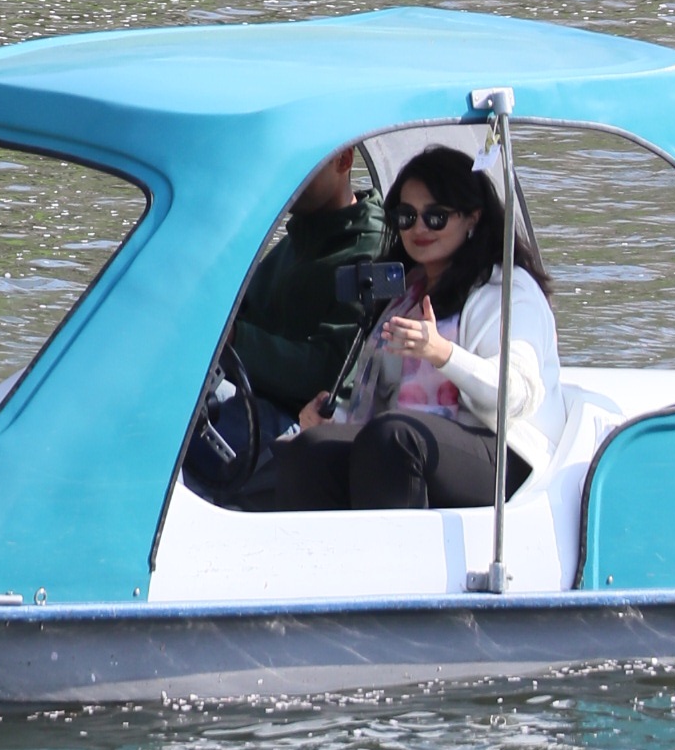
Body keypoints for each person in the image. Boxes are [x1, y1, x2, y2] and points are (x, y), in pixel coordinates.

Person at [237, 143, 563, 513]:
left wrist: (443, 354)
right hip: (413, 441)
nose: (419, 228)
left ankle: (397, 564)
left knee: (392, 436)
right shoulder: (407, 293)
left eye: (435, 217)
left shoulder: (505, 291)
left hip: (507, 453)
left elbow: (517, 397)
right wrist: (326, 420)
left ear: (472, 218)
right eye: (406, 216)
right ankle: (325, 564)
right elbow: (376, 391)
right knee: (310, 450)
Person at [231, 146, 389, 415]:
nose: (286, 180)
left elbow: (332, 370)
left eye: (302, 165)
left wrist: (236, 338)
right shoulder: (299, 237)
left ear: (345, 160)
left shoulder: (372, 250)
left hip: (308, 420)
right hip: (250, 396)